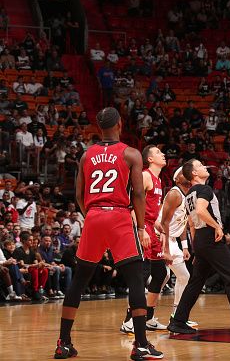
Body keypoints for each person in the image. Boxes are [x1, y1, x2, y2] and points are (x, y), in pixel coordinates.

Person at [54, 107, 163, 360]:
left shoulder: (85, 155)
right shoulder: (131, 153)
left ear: (99, 127)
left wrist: (91, 214)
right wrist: (138, 226)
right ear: (120, 124)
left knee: (78, 281)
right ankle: (141, 345)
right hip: (119, 216)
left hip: (93, 216)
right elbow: (137, 193)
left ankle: (63, 343)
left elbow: (79, 195)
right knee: (135, 280)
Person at [167, 159, 230, 337]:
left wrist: (196, 249)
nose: (205, 167)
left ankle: (178, 321)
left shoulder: (188, 195)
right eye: (200, 166)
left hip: (201, 241)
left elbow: (192, 225)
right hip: (210, 237)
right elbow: (202, 211)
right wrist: (217, 227)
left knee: (196, 281)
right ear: (194, 173)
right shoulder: (203, 189)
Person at [121, 145, 170, 334]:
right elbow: (131, 205)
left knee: (160, 273)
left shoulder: (157, 180)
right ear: (149, 159)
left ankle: (148, 318)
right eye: (158, 152)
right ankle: (129, 321)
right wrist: (141, 229)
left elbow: (153, 210)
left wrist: (160, 229)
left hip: (152, 228)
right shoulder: (145, 175)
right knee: (141, 275)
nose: (163, 154)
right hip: (142, 228)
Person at [154, 167, 196, 327]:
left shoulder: (187, 195)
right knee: (162, 278)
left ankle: (176, 315)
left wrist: (185, 247)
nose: (185, 174)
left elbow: (183, 223)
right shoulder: (174, 193)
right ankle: (139, 315)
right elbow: (163, 222)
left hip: (172, 239)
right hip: (162, 237)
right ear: (177, 179)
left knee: (172, 277)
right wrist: (165, 248)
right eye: (181, 173)